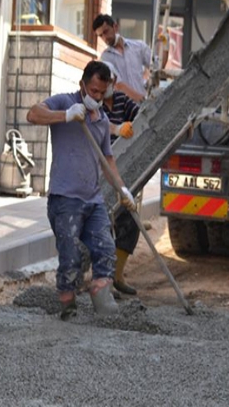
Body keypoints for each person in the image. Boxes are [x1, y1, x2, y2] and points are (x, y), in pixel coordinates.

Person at [27, 60, 136, 319]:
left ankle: (102, 300)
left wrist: (122, 189)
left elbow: (107, 159)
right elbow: (32, 114)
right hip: (65, 200)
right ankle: (67, 305)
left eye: (102, 93)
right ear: (82, 85)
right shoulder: (65, 102)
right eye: (93, 91)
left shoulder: (101, 119)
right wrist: (64, 116)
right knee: (71, 258)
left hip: (93, 199)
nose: (97, 97)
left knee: (106, 249)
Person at [100, 61, 141, 296]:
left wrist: (132, 126)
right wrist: (116, 129)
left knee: (130, 221)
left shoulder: (123, 101)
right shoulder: (93, 104)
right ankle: (102, 278)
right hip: (100, 171)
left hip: (123, 171)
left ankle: (117, 275)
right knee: (103, 224)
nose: (106, 87)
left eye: (109, 81)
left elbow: (141, 118)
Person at [92, 14, 151, 103]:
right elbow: (118, 85)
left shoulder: (139, 46)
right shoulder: (105, 58)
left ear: (115, 27)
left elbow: (157, 66)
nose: (105, 38)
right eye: (101, 36)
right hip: (126, 109)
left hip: (144, 104)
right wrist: (142, 100)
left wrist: (165, 46)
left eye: (106, 32)